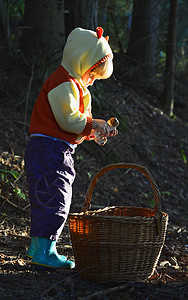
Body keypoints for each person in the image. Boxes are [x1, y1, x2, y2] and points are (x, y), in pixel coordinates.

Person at [24, 27, 118, 269]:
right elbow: (67, 120)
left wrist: (93, 130)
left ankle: (38, 247)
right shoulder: (62, 83)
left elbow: (72, 125)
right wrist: (92, 123)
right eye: (93, 75)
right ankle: (45, 250)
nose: (93, 81)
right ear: (80, 61)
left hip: (54, 148)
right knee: (55, 198)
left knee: (50, 196)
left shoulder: (71, 84)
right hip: (50, 150)